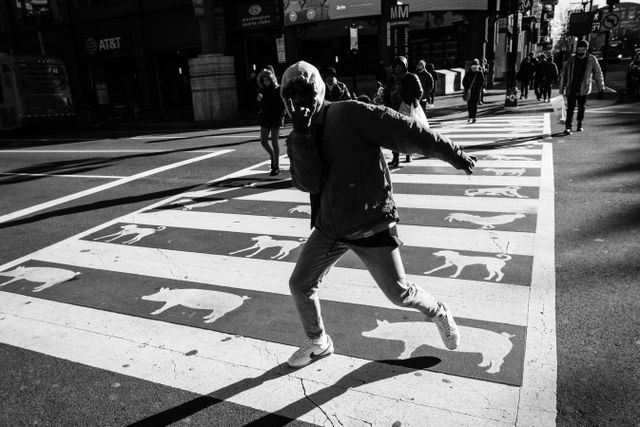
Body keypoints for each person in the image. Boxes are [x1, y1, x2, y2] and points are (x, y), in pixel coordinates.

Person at [279, 60, 477, 368]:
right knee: (300, 284)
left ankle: (438, 310)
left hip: (369, 223)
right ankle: (319, 343)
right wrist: (302, 136)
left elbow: (406, 129)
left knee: (399, 294)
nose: (299, 103)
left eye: (304, 93)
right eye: (291, 98)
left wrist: (452, 152)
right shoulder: (298, 135)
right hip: (330, 227)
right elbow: (308, 182)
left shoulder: (350, 113)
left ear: (317, 89)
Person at [383, 56, 423, 167]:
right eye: (396, 67)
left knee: (406, 133)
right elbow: (386, 92)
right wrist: (386, 103)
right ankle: (395, 157)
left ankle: (408, 153)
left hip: (406, 107)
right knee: (394, 135)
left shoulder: (411, 77)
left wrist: (414, 101)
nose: (398, 69)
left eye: (400, 66)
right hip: (393, 109)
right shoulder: (391, 79)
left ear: (405, 67)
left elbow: (419, 91)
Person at [561, 39, 604, 135]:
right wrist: (562, 88)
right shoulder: (571, 60)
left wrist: (601, 87)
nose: (580, 52)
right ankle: (568, 127)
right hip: (571, 87)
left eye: (582, 50)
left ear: (586, 49)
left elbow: (597, 73)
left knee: (581, 107)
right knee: (570, 108)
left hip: (584, 88)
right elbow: (564, 74)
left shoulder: (592, 59)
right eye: (579, 50)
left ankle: (579, 123)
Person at [256, 68, 286, 175]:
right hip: (265, 118)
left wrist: (281, 117)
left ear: (271, 79)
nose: (265, 82)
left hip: (275, 118)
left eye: (267, 80)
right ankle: (272, 155)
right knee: (263, 141)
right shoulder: (261, 91)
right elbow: (258, 107)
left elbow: (283, 106)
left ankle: (276, 166)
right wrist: (258, 101)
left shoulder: (278, 89)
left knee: (274, 142)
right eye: (264, 80)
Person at [462, 58, 485, 124]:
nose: (474, 69)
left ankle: (474, 117)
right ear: (471, 67)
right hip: (469, 91)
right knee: (469, 104)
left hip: (476, 91)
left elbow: (482, 82)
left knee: (474, 104)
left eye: (476, 67)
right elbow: (464, 82)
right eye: (473, 67)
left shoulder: (480, 73)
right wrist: (467, 88)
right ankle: (470, 116)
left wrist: (479, 87)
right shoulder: (468, 73)